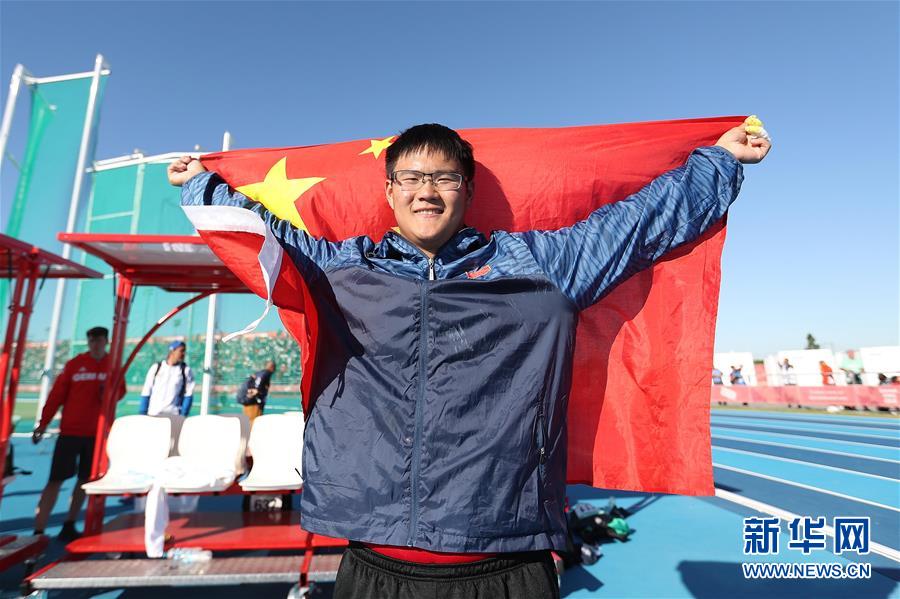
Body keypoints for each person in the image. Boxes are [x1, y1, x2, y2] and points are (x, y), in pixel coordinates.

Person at [170, 121, 769, 599]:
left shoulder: (540, 265)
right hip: (374, 566)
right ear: (389, 191)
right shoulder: (340, 270)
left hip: (508, 565)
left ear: (468, 190)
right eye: (410, 177)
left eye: (444, 177)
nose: (426, 191)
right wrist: (200, 183)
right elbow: (257, 231)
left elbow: (638, 224)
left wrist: (721, 160)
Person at [32, 326, 125, 541]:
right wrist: (43, 424)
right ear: (88, 342)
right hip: (70, 432)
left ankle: (70, 523)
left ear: (106, 341)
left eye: (99, 340)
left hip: (96, 435)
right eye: (92, 340)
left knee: (85, 480)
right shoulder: (74, 365)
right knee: (55, 480)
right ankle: (39, 530)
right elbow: (56, 396)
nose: (95, 344)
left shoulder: (113, 366)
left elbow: (120, 391)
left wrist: (109, 392)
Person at [138, 340, 195, 416]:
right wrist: (143, 413)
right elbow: (146, 390)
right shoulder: (156, 368)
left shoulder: (186, 370)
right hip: (153, 413)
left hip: (173, 415)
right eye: (181, 351)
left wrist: (183, 414)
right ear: (172, 351)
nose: (183, 354)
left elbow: (188, 394)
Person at [238, 360, 276, 426]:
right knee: (254, 422)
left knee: (248, 422)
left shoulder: (258, 373)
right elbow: (257, 386)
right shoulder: (266, 373)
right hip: (253, 402)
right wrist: (257, 393)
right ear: (271, 367)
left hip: (247, 400)